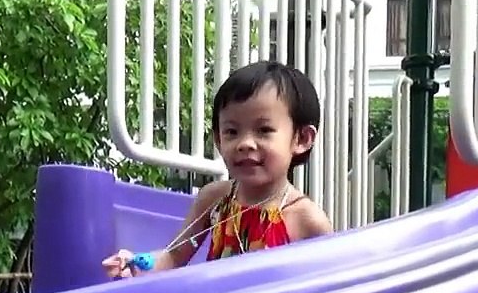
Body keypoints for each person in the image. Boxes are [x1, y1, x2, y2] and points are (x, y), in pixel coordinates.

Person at [102, 61, 334, 279]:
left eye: (263, 130)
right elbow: (173, 256)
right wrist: (135, 265)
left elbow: (326, 286)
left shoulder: (307, 220)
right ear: (218, 139)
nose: (245, 143)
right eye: (232, 132)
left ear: (302, 138)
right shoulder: (215, 199)